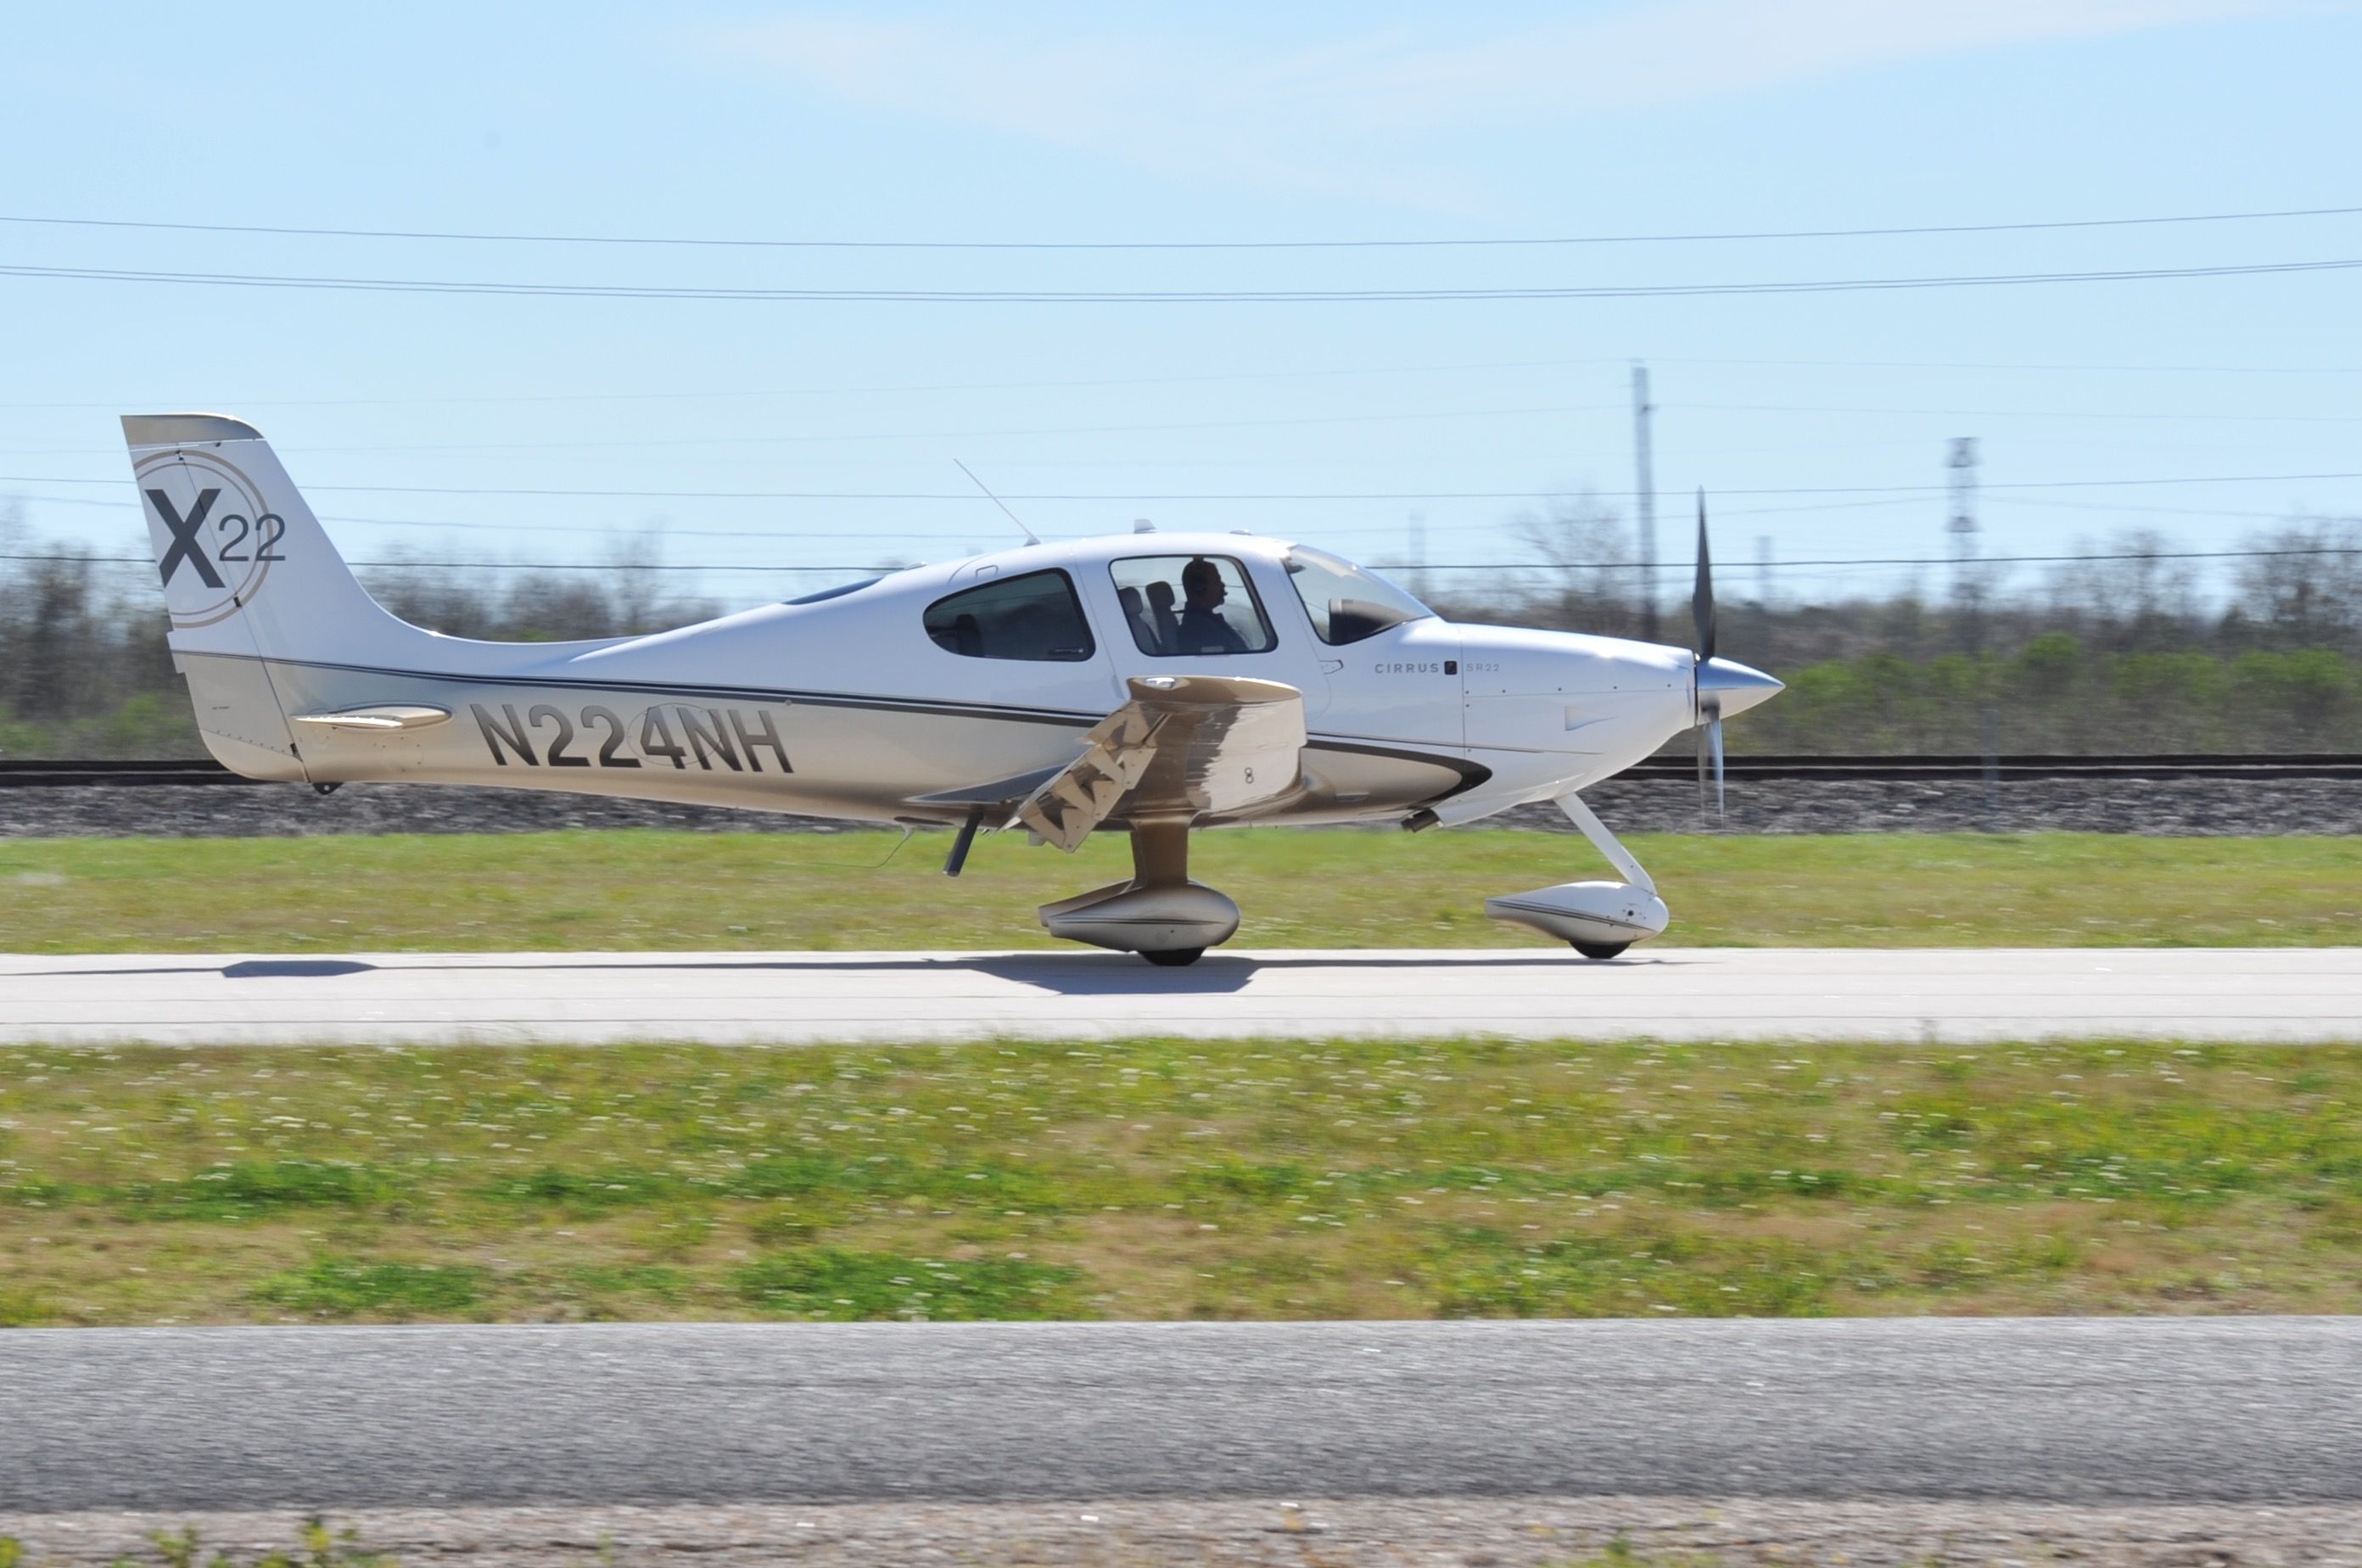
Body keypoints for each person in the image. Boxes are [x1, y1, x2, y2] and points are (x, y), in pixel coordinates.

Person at [1176, 557, 1246, 653]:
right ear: (1199, 588)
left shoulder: (1205, 622)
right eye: (1217, 581)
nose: (1223, 585)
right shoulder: (1201, 631)